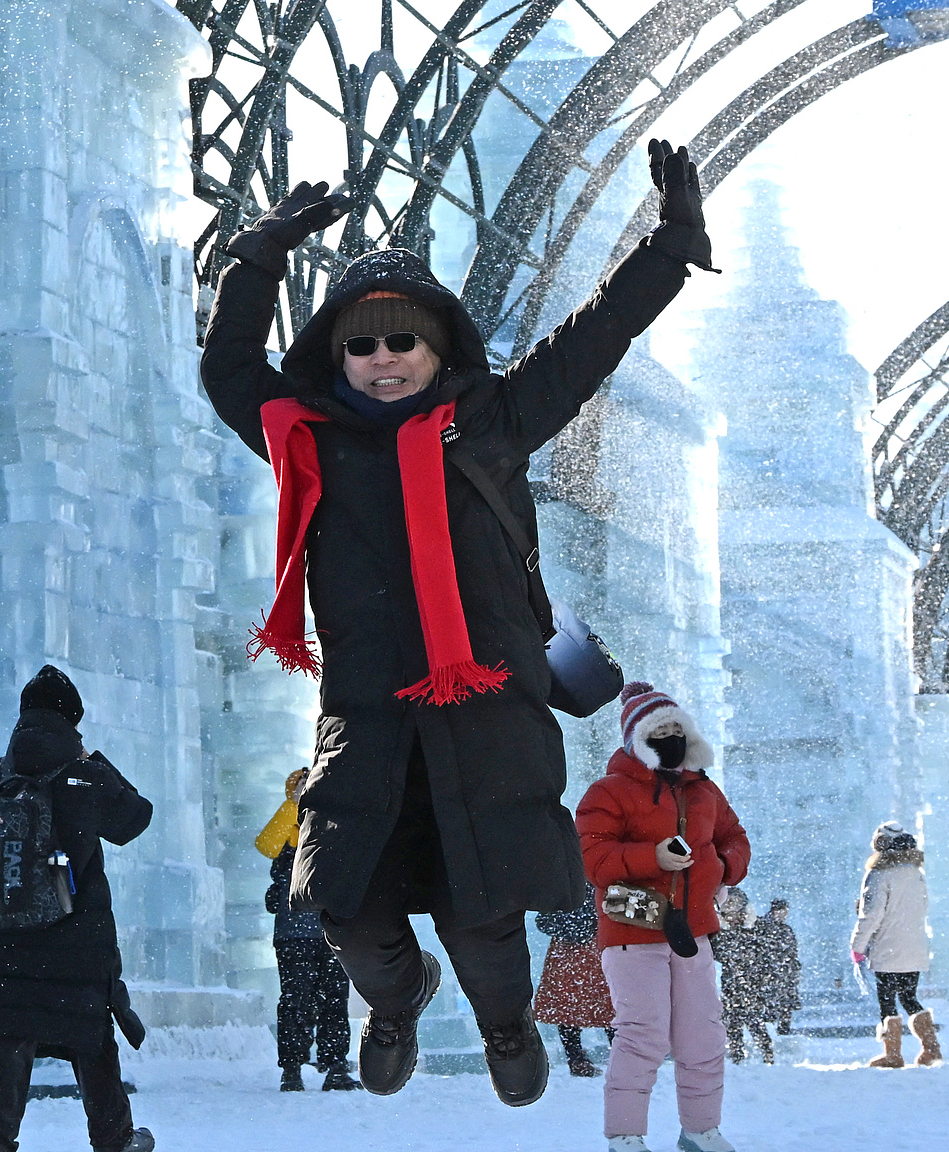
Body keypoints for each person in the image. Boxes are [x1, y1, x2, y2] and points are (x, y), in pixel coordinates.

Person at [198, 141, 713, 1108]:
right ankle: (394, 1007)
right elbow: (227, 369)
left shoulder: (497, 418)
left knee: (487, 920)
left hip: (487, 712)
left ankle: (505, 1027)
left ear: (440, 350)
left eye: (404, 341)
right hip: (368, 714)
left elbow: (596, 334)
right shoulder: (305, 437)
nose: (384, 358)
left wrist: (669, 246)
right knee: (344, 905)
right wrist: (257, 259)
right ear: (337, 355)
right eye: (363, 342)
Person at [0, 666, 154, 1152]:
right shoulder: (82, 775)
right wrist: (96, 761)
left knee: (7, 1036)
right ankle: (115, 1140)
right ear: (72, 721)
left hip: (4, 949)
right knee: (90, 1039)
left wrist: (5, 911)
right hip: (75, 944)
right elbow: (135, 818)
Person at [578, 683, 750, 1152]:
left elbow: (735, 838)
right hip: (633, 931)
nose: (671, 737)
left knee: (703, 1036)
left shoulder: (705, 791)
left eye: (678, 729)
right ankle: (626, 1136)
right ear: (637, 738)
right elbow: (594, 859)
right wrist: (653, 856)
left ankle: (700, 1131)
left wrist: (724, 869)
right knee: (643, 1033)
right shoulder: (609, 791)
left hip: (693, 933)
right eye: (660, 730)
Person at [259, 769, 358, 1092]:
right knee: (295, 1000)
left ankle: (335, 1066)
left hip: (332, 930)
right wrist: (295, 804)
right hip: (293, 933)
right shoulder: (287, 826)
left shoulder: (333, 822)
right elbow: (266, 845)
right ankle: (291, 1068)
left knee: (334, 999)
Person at [848, 821, 938, 1068]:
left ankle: (893, 1053)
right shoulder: (916, 874)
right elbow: (921, 908)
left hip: (887, 947)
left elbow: (871, 915)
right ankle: (931, 1048)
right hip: (914, 945)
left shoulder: (879, 875)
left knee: (887, 999)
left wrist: (857, 946)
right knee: (910, 997)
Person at [533, 899, 616, 1078]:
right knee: (608, 1001)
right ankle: (621, 1058)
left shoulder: (562, 877)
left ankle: (577, 1058)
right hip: (594, 936)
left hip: (569, 938)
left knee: (568, 1002)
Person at [712, 888, 772, 1065]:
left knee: (755, 1020)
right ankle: (736, 1054)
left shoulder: (755, 927)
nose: (731, 909)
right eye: (727, 904)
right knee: (732, 1021)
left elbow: (765, 953)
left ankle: (767, 1053)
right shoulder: (719, 930)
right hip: (731, 983)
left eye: (734, 904)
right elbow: (717, 953)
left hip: (754, 983)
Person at [754, 899, 801, 1035]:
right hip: (771, 972)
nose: (784, 914)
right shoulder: (764, 926)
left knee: (785, 1005)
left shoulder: (785, 929)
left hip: (784, 972)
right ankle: (771, 1032)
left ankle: (782, 1030)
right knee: (771, 1004)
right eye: (782, 911)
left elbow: (792, 951)